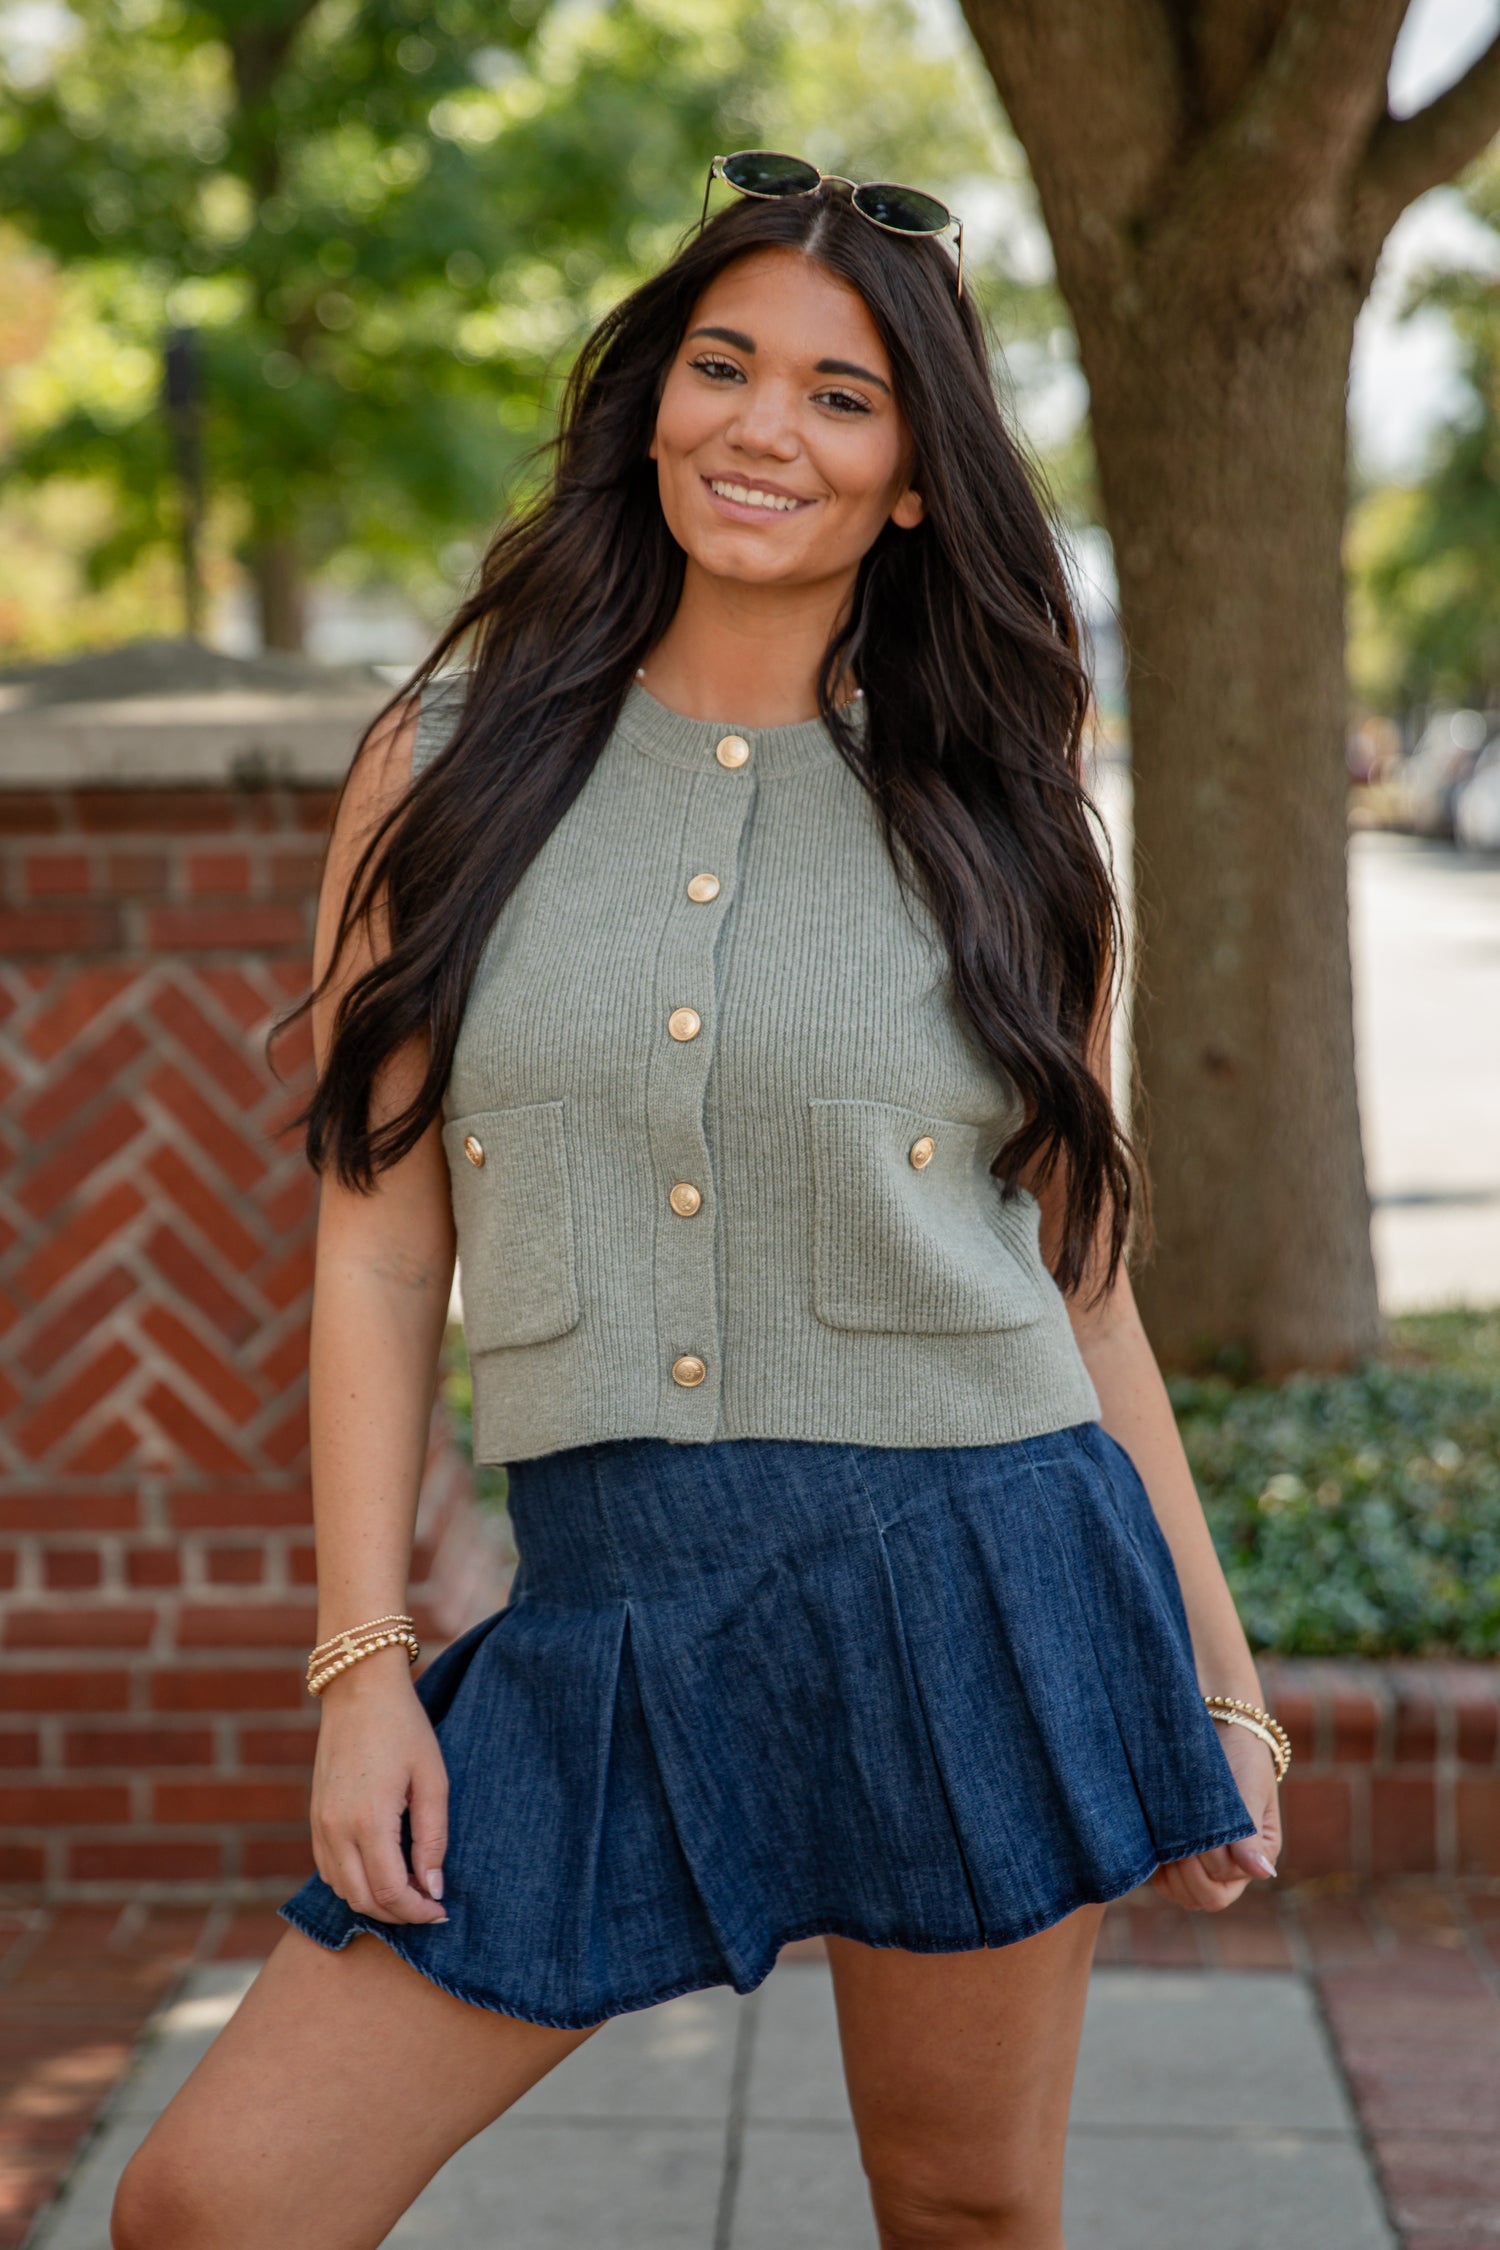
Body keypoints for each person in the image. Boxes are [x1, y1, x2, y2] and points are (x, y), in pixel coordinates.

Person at [113, 154, 1288, 2250]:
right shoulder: (448, 762)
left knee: (963, 2211)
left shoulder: (1009, 818)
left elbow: (1080, 1287)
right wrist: (362, 1659)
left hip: (975, 1576)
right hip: (609, 1609)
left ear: (915, 479)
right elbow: (378, 1241)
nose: (764, 425)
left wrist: (1217, 1682)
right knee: (218, 2206)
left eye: (842, 397)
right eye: (725, 364)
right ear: (652, 393)